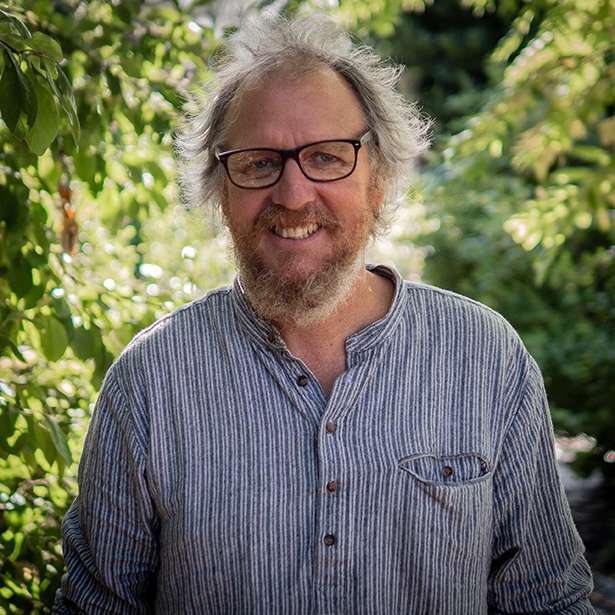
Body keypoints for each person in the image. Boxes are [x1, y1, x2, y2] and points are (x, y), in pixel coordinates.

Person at [53, 13, 595, 615]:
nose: (292, 194)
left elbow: (549, 601)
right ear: (220, 190)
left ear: (379, 179)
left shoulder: (485, 359)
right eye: (259, 162)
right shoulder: (149, 383)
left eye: (328, 156)